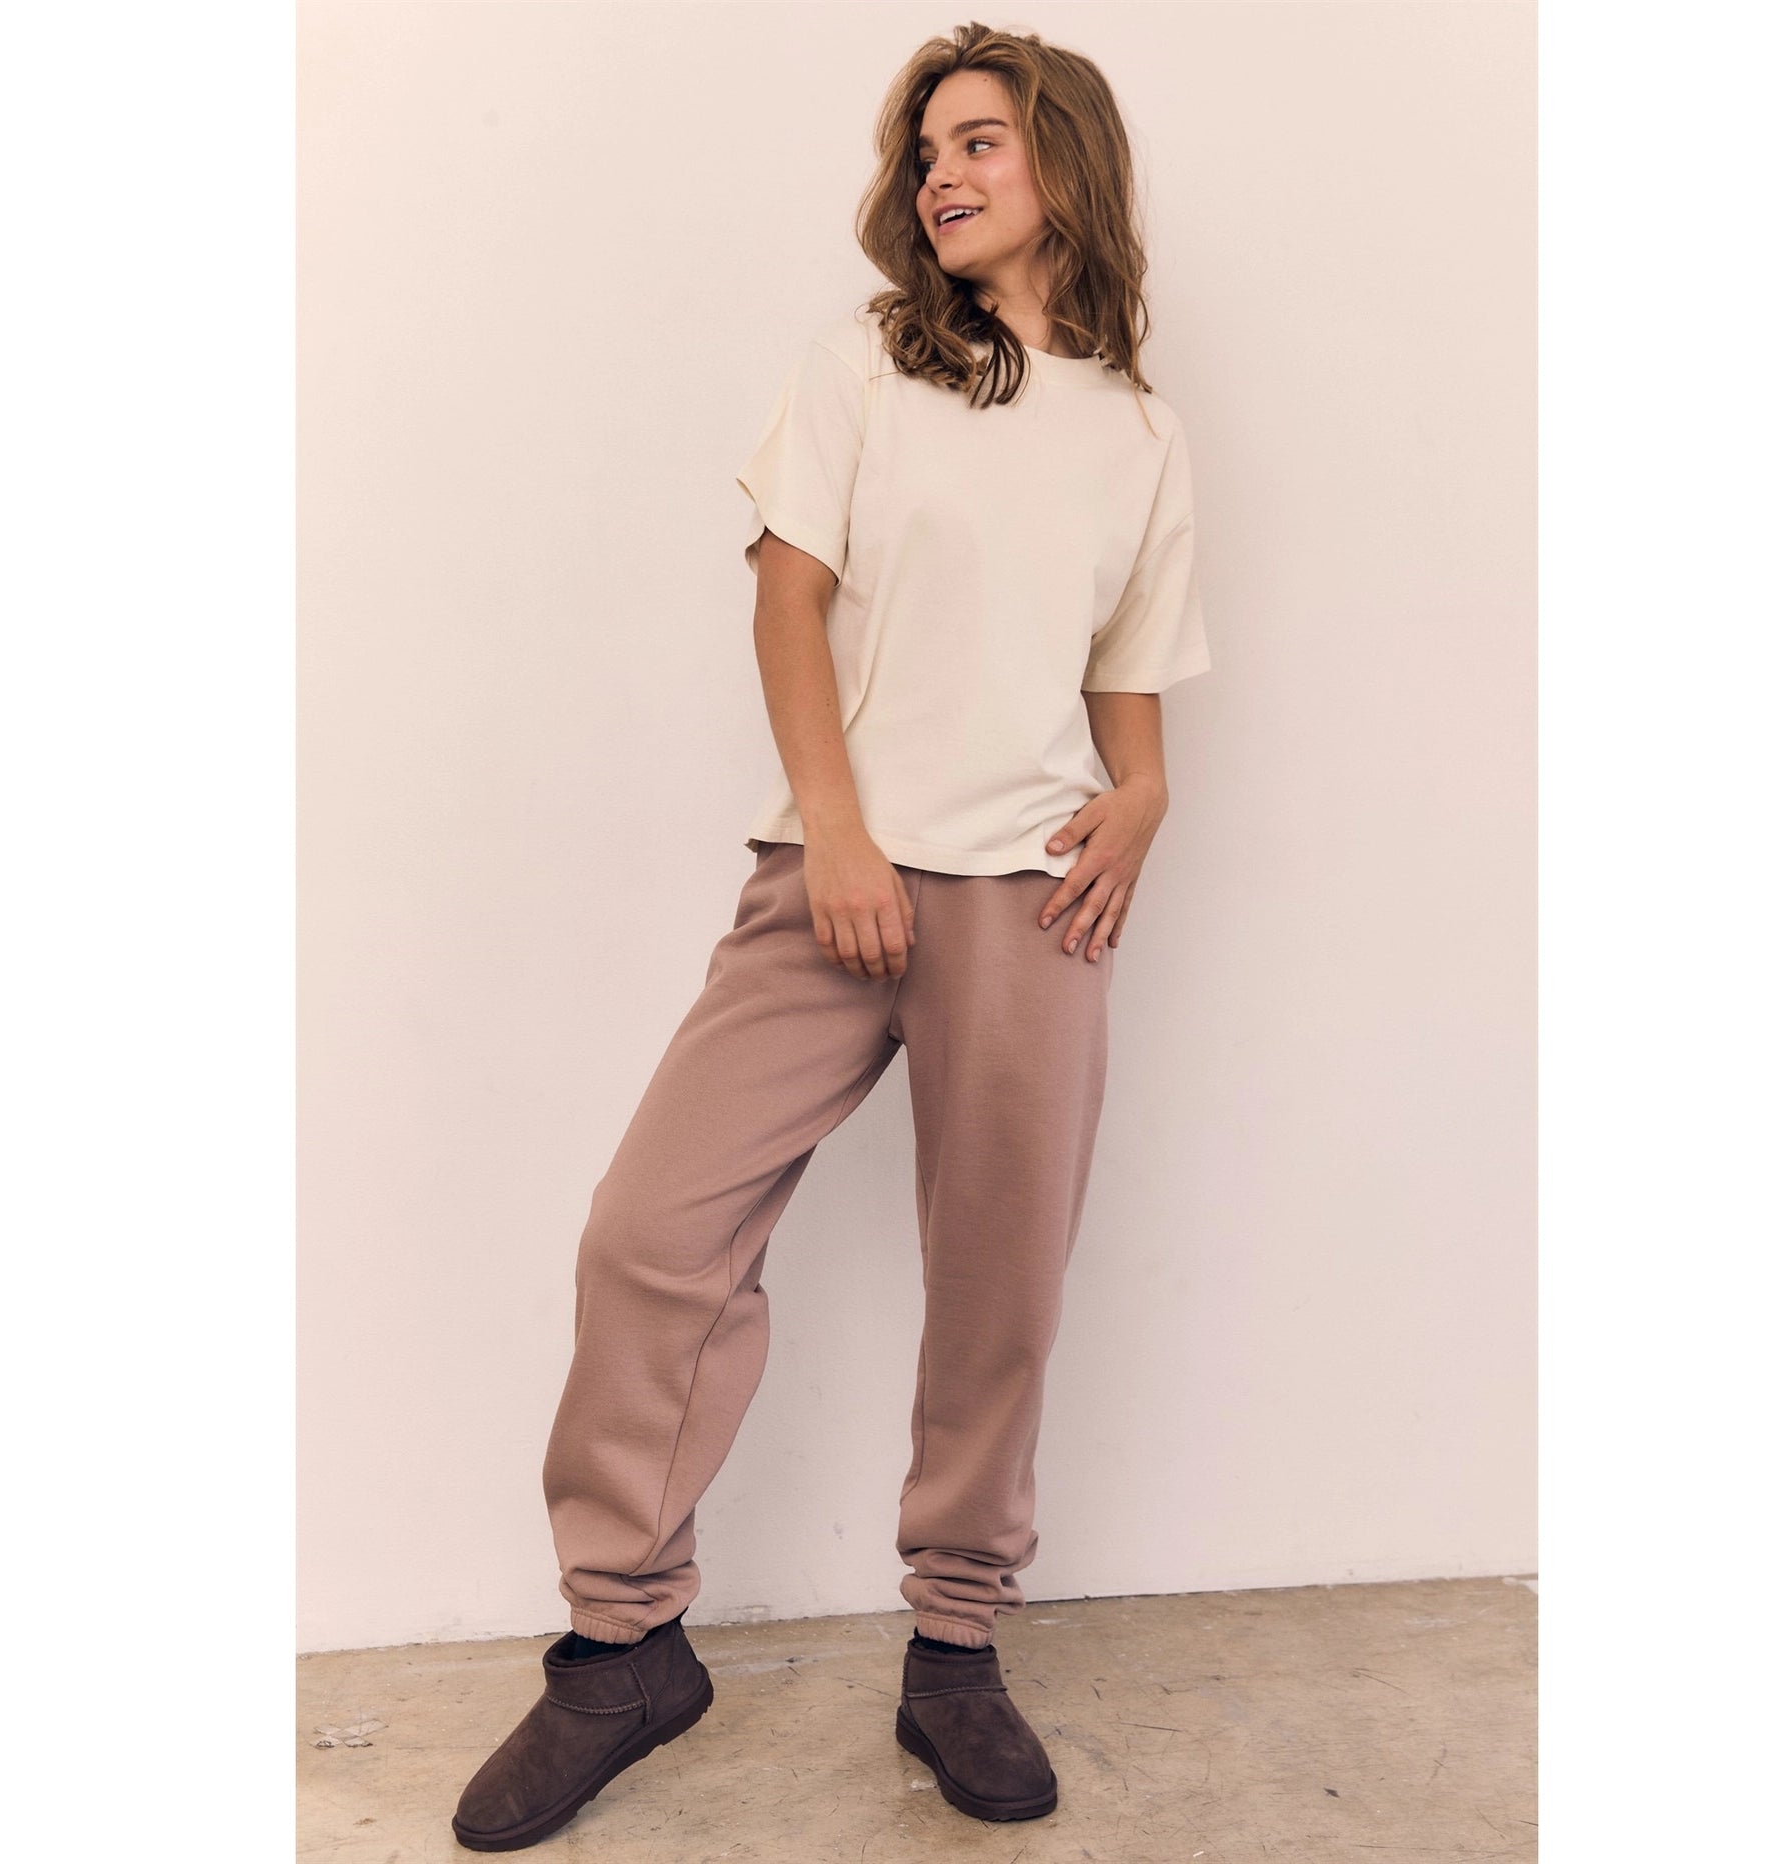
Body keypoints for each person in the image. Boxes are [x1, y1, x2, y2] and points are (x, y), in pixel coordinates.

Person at [452, 20, 1211, 1851]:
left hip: (1031, 896)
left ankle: (955, 1647)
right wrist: (845, 837)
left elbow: (1130, 686)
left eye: (980, 143)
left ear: (1066, 166)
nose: (941, 175)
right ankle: (624, 1648)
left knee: (1000, 1282)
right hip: (834, 871)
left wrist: (1146, 799)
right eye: (926, 151)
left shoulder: (1142, 433)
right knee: (653, 1236)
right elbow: (787, 605)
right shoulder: (869, 361)